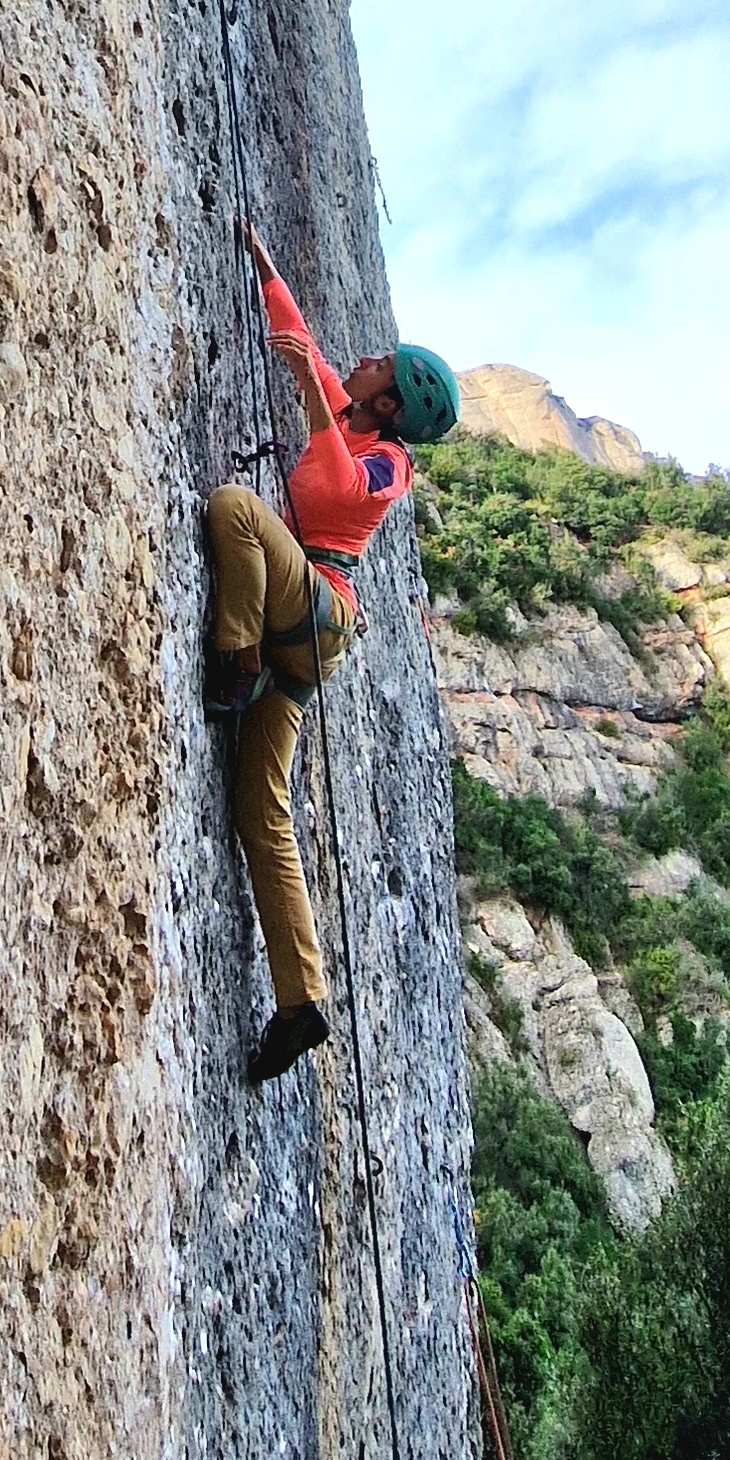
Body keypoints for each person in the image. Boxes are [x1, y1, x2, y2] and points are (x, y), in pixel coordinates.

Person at [203, 221, 462, 1081]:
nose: (362, 360)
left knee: (236, 509)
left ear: (389, 405)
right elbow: (302, 346)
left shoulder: (389, 462)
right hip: (302, 633)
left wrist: (323, 408)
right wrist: (264, 264)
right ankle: (300, 1002)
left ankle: (234, 659)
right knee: (260, 810)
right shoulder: (347, 413)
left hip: (317, 616)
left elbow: (345, 487)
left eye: (379, 366)